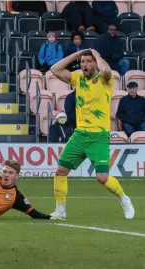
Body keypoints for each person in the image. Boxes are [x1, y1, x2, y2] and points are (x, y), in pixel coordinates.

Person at [49, 48, 135, 219]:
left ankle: (124, 199)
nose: (85, 65)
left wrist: (96, 54)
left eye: (88, 62)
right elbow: (55, 70)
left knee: (102, 178)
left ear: (95, 63)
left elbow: (107, 71)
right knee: (60, 171)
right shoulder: (77, 78)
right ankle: (60, 211)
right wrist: (77, 54)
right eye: (83, 62)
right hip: (80, 134)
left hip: (99, 136)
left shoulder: (104, 80)